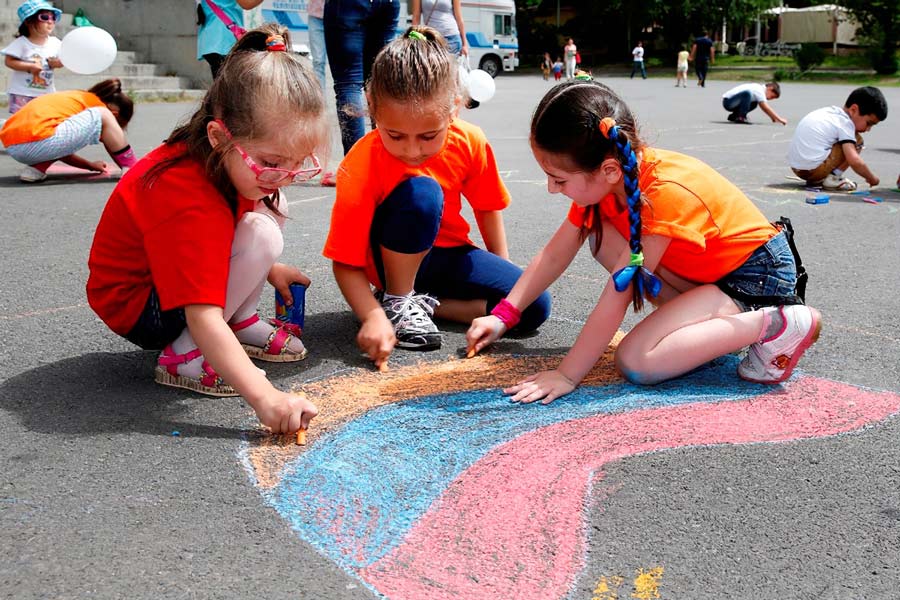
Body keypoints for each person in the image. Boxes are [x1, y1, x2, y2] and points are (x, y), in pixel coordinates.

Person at [467, 79, 821, 404]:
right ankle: (706, 332)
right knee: (603, 239)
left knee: (637, 360)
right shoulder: (614, 177)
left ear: (607, 170)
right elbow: (554, 254)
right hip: (712, 274)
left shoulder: (663, 192)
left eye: (558, 179)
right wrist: (504, 316)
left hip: (753, 279)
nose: (551, 188)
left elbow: (616, 294)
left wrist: (567, 375)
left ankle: (777, 323)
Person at [86, 25, 325, 435]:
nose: (285, 174)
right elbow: (203, 314)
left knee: (271, 203)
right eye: (272, 161)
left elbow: (232, 223)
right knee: (262, 228)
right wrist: (266, 399)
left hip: (162, 279)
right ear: (219, 135)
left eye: (298, 162)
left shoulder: (223, 161)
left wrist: (269, 267)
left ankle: (242, 318)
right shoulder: (187, 195)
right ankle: (185, 356)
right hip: (140, 307)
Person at [323, 26, 551, 369]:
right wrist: (370, 317)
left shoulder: (470, 140)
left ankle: (424, 302)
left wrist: (506, 284)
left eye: (429, 136)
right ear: (372, 108)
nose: (412, 150)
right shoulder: (361, 162)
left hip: (448, 256)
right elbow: (346, 261)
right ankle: (397, 300)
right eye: (395, 135)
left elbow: (487, 208)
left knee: (533, 305)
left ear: (454, 109)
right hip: (389, 259)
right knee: (422, 191)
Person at [0, 78, 136, 183]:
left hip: (14, 147)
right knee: (103, 114)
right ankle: (133, 168)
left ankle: (36, 169)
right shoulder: (98, 106)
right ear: (115, 114)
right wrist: (128, 165)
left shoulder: (77, 98)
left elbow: (63, 148)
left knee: (56, 132)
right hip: (41, 141)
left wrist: (89, 166)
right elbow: (113, 147)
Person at [324, 0, 399, 156]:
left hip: (347, 6)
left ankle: (357, 166)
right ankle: (386, 160)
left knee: (349, 84)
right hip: (387, 4)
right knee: (380, 83)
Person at [787, 86, 887, 191]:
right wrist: (871, 178)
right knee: (857, 141)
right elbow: (854, 160)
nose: (868, 129)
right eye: (868, 123)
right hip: (814, 170)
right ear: (853, 110)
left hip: (797, 168)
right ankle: (833, 178)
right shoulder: (845, 123)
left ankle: (819, 179)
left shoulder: (829, 112)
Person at [2, 1, 63, 115]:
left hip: (46, 93)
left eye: (53, 17)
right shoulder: (22, 43)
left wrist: (57, 63)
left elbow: (63, 60)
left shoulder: (55, 43)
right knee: (21, 121)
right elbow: (9, 61)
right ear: (29, 21)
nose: (50, 21)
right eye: (44, 17)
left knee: (42, 121)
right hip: (22, 92)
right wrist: (29, 66)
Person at [196, 0, 264, 79]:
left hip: (211, 39)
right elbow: (247, 4)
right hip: (223, 39)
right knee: (230, 86)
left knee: (222, 85)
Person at [722, 81, 787, 125]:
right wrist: (779, 119)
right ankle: (741, 117)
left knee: (754, 103)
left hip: (733, 102)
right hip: (728, 102)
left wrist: (773, 118)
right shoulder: (759, 90)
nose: (770, 99)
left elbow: (763, 106)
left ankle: (735, 116)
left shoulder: (759, 90)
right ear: (770, 88)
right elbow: (765, 107)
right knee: (747, 94)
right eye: (772, 96)